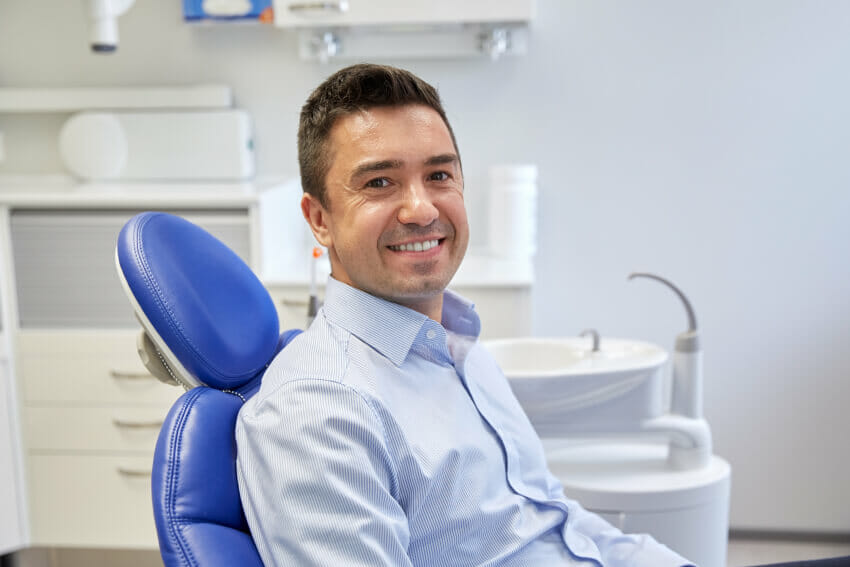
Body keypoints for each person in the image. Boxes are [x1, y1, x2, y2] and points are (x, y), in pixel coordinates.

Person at [235, 63, 695, 566]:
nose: (421, 209)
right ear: (320, 219)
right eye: (381, 182)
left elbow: (554, 519)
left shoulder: (459, 345)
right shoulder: (318, 412)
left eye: (438, 175)